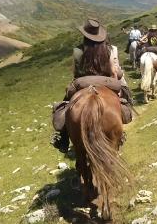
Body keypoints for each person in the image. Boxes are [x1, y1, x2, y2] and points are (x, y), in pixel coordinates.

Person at [52, 18, 133, 153]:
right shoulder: (108, 49)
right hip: (106, 81)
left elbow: (75, 73)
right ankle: (119, 131)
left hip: (82, 81)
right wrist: (116, 90)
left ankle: (63, 139)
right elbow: (113, 72)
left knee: (66, 104)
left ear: (85, 35)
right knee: (124, 99)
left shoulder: (77, 50)